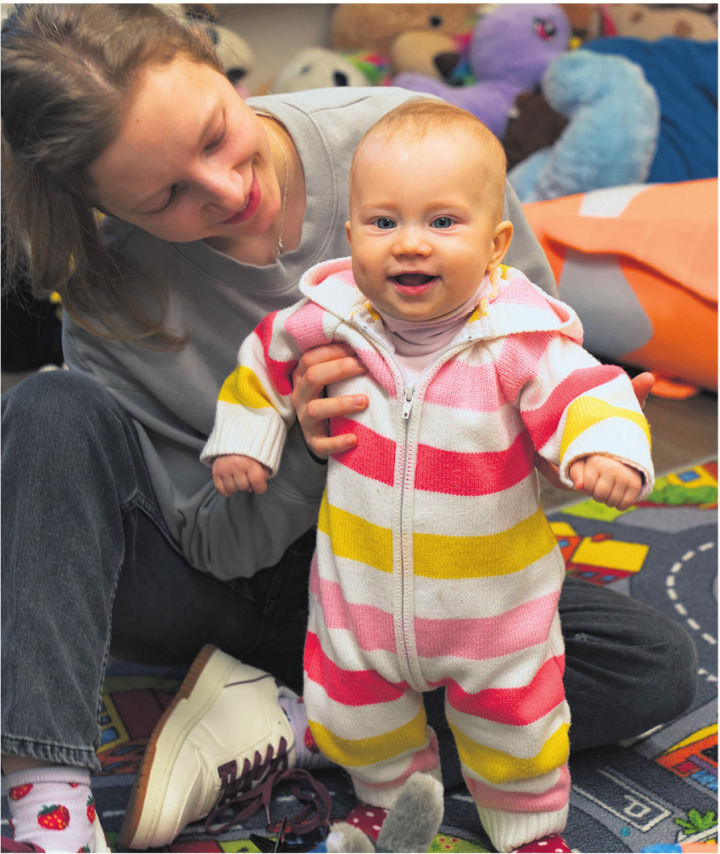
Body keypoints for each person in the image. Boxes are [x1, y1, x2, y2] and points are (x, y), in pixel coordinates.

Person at [0, 5, 696, 853]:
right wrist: (301, 444)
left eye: (217, 135)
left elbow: (527, 357)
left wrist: (579, 449)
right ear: (102, 202)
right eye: (167, 196)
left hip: (407, 574)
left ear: (216, 62)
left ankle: (295, 721)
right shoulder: (111, 291)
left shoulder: (406, 145)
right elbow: (216, 548)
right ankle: (50, 805)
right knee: (46, 409)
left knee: (647, 667)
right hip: (217, 578)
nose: (225, 189)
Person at [202, 100, 655, 854]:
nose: (410, 244)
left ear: (496, 243)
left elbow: (590, 392)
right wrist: (247, 439)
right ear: (351, 237)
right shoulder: (331, 317)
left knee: (520, 725)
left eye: (443, 223)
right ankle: (390, 801)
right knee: (356, 715)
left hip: (492, 612)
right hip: (360, 598)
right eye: (383, 223)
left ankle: (530, 829)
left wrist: (604, 449)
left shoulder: (518, 340)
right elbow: (263, 361)